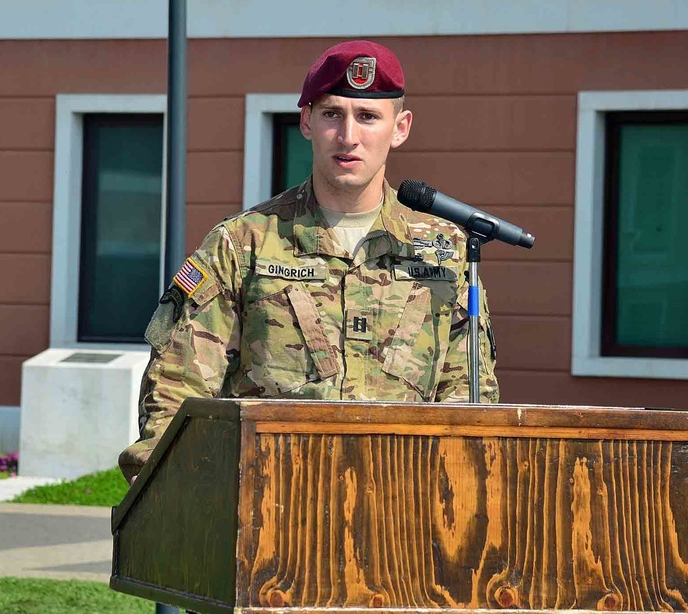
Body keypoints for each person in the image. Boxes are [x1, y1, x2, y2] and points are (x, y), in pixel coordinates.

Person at [119, 40, 499, 482]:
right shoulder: (243, 244)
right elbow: (176, 391)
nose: (349, 136)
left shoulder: (446, 253)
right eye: (332, 114)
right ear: (306, 122)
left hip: (401, 513)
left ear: (400, 128)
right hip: (269, 507)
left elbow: (470, 398)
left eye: (368, 116)